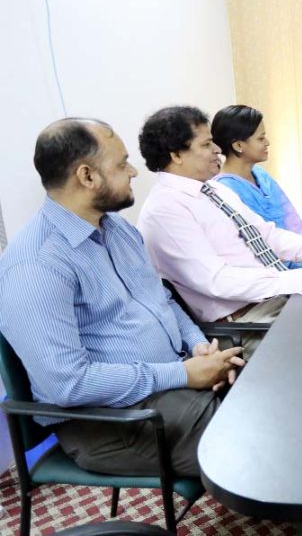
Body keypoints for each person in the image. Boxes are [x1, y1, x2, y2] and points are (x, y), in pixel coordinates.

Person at [0, 118, 243, 477]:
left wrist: (197, 347)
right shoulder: (36, 264)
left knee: (271, 403)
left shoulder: (118, 230)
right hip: (110, 422)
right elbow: (67, 384)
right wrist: (181, 374)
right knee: (258, 445)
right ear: (87, 176)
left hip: (171, 383)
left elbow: (163, 300)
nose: (133, 171)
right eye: (121, 163)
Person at [136, 106, 302, 356]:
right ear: (177, 155)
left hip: (275, 299)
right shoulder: (164, 210)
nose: (218, 150)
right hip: (248, 322)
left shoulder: (214, 189)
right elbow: (216, 281)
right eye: (207, 144)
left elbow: (267, 235)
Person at [211, 104, 302, 269]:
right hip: (276, 273)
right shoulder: (223, 190)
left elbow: (294, 222)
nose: (268, 142)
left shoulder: (261, 175)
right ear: (238, 146)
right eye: (261, 138)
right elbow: (258, 246)